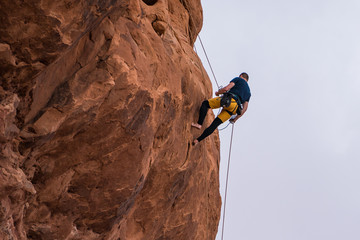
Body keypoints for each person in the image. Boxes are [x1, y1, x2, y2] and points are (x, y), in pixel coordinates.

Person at [192, 72, 251, 145]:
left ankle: (199, 124)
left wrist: (218, 93)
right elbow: (244, 109)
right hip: (234, 110)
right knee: (215, 124)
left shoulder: (238, 79)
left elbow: (227, 88)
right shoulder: (248, 93)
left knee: (205, 104)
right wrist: (234, 119)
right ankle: (197, 140)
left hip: (229, 101)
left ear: (241, 76)